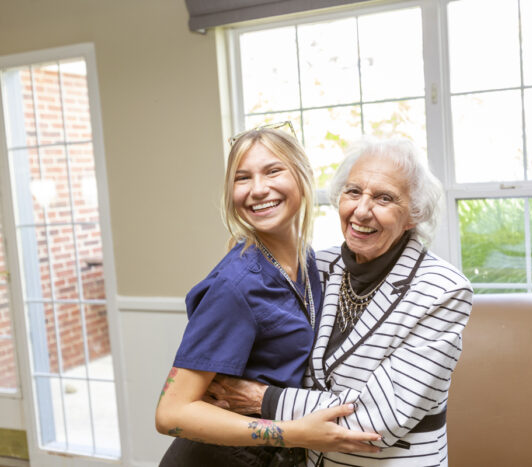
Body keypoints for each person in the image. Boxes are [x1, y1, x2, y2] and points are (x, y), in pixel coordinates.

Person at [207, 137, 473, 466]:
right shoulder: (314, 266)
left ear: (413, 215)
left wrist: (263, 399)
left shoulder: (441, 290)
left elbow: (379, 420)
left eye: (384, 198)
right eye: (353, 192)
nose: (361, 210)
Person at [155, 124, 381, 467]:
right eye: (242, 178)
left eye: (273, 171)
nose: (258, 189)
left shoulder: (308, 262)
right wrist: (292, 432)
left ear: (303, 176)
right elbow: (171, 413)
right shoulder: (236, 285)